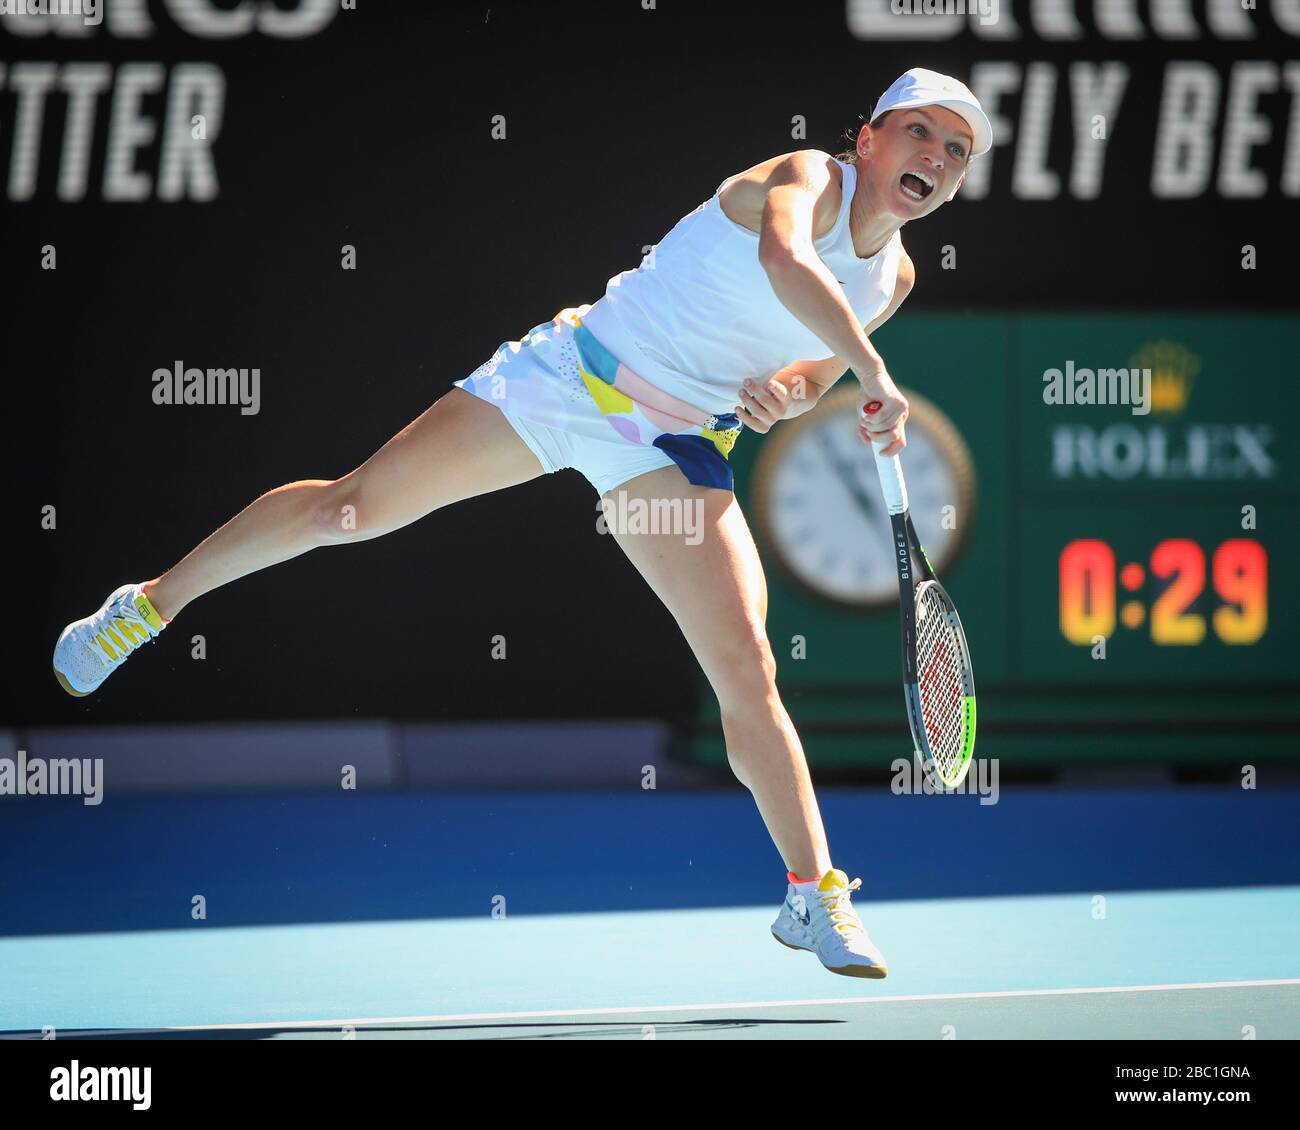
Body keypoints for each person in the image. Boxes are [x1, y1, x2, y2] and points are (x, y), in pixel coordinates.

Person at [53, 68, 992, 979]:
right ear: (866, 139)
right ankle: (149, 605)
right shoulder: (805, 177)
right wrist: (874, 373)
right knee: (352, 508)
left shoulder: (893, 278)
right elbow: (786, 263)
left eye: (956, 150)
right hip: (566, 381)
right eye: (919, 131)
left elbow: (807, 376)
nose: (936, 156)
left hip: (671, 448)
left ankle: (812, 893)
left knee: (746, 665)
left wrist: (785, 395)